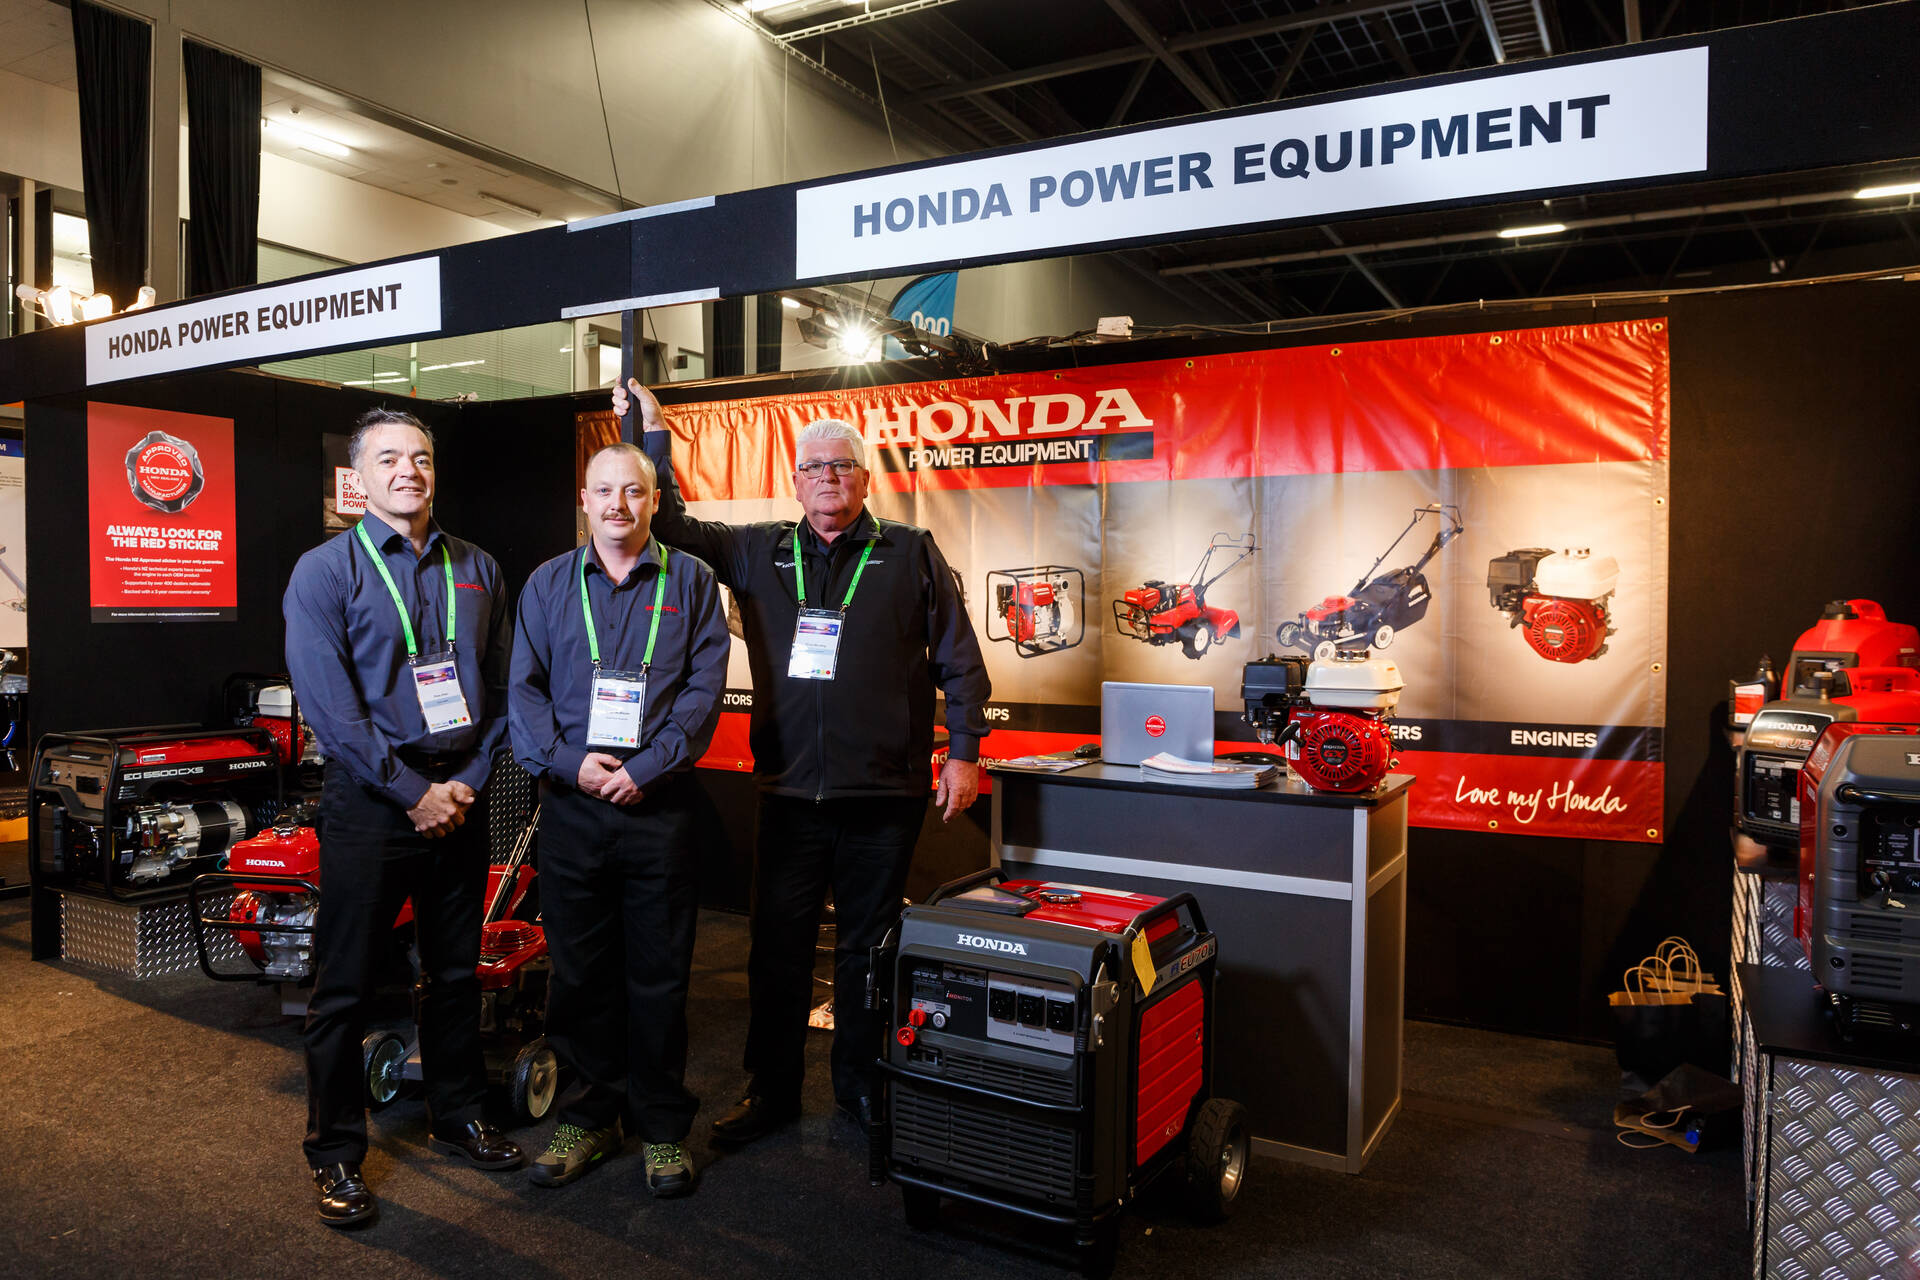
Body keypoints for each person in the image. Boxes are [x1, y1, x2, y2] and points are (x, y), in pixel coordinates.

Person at [611, 377, 991, 1146]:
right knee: (777, 951)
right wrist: (653, 434)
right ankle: (772, 1091)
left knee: (866, 950)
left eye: (841, 466)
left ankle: (860, 1087)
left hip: (882, 796)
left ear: (865, 479)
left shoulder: (910, 551)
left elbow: (959, 661)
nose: (827, 478)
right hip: (788, 795)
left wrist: (965, 754)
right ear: (795, 480)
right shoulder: (758, 550)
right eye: (814, 467)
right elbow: (672, 525)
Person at [283, 407, 522, 1228]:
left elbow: (503, 690)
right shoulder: (324, 572)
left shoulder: (479, 567)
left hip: (459, 797)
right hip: (370, 803)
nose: (408, 471)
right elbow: (331, 707)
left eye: (419, 457)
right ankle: (335, 1153)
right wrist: (411, 792)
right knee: (345, 986)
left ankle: (458, 1114)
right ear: (359, 477)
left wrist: (468, 781)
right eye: (388, 459)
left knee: (454, 973)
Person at [507, 442, 728, 1196]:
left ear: (654, 499)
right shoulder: (547, 583)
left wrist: (649, 766)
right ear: (585, 499)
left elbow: (704, 688)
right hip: (572, 807)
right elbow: (524, 690)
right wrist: (570, 763)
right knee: (579, 974)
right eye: (604, 491)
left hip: (658, 808)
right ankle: (591, 1116)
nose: (618, 505)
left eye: (633, 491)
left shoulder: (692, 580)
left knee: (660, 975)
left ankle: (662, 1127)